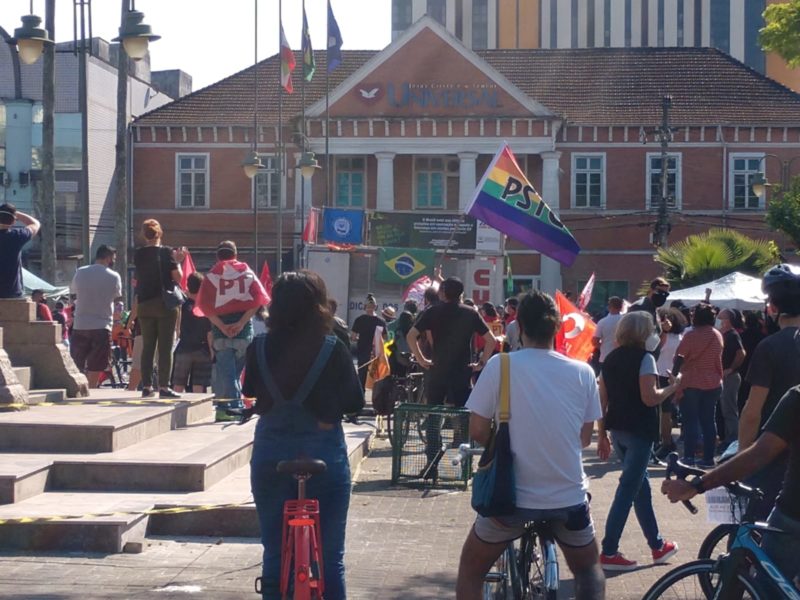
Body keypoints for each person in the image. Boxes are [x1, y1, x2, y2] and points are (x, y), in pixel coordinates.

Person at [456, 290, 605, 600]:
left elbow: (478, 429)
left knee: (471, 570)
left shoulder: (501, 366)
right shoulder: (583, 373)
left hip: (509, 501)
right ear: (558, 328)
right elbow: (584, 438)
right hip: (568, 499)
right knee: (589, 570)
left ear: (519, 327)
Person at [244, 271, 364, 600]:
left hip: (272, 455)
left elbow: (249, 389)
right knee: (330, 558)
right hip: (325, 455)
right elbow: (355, 401)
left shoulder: (260, 346)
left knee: (273, 553)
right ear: (319, 306)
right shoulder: (333, 348)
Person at [662, 382, 800, 587]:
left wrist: (697, 485)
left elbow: (758, 454)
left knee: (768, 587)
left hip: (792, 516)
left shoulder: (797, 397)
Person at [596, 311, 681, 571]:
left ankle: (657, 545)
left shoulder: (610, 358)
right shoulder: (645, 359)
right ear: (645, 333)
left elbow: (602, 399)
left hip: (618, 428)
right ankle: (609, 550)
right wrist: (672, 386)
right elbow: (650, 397)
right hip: (640, 430)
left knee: (638, 487)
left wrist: (601, 435)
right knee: (628, 489)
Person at [738, 263, 800, 521]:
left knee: (759, 529)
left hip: (773, 453)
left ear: (772, 308)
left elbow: (753, 412)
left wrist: (742, 459)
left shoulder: (769, 347)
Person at [407, 277, 496, 409]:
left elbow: (411, 336)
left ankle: (433, 429)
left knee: (434, 414)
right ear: (461, 293)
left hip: (438, 368)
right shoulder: (471, 313)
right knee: (462, 414)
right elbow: (491, 340)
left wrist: (421, 359)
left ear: (442, 292)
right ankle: (460, 430)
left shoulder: (432, 311)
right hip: (462, 371)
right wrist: (481, 363)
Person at [201, 241, 262, 407]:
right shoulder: (246, 273)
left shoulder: (212, 275)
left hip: (221, 334)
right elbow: (258, 300)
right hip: (243, 333)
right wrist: (241, 323)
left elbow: (205, 307)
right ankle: (230, 407)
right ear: (235, 254)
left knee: (227, 375)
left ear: (217, 256)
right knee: (233, 374)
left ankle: (232, 407)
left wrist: (221, 326)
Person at [133, 219, 183, 399]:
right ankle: (163, 386)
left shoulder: (138, 254)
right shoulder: (166, 252)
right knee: (165, 346)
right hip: (164, 304)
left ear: (144, 234)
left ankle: (146, 386)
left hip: (144, 304)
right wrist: (177, 262)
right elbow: (178, 277)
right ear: (160, 233)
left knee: (148, 346)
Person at [673, 303, 723, 467]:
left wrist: (674, 375)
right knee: (709, 421)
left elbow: (680, 355)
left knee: (690, 422)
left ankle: (689, 457)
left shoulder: (691, 335)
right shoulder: (717, 335)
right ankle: (708, 458)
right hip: (714, 381)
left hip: (692, 381)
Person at [70, 245, 122, 388]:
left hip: (80, 324)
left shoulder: (80, 272)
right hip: (102, 325)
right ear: (108, 257)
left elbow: (73, 294)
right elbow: (117, 298)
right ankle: (91, 388)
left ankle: (77, 388)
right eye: (114, 258)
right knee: (97, 364)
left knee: (77, 361)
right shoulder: (114, 276)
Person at [172, 273, 212, 393]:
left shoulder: (182, 306)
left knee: (178, 385)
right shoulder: (206, 307)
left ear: (188, 286)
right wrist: (212, 352)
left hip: (184, 348)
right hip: (202, 350)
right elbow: (210, 333)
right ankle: (198, 411)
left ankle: (175, 409)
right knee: (198, 386)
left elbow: (176, 328)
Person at [654, 307, 686, 459]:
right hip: (673, 374)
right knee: (667, 412)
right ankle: (666, 441)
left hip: (660, 374)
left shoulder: (663, 337)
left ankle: (666, 442)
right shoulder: (680, 336)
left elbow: (657, 348)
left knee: (664, 413)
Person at [717, 308, 745, 449]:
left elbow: (741, 353)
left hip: (730, 377)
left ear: (728, 320)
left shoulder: (732, 335)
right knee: (725, 408)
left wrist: (731, 369)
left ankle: (733, 440)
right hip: (724, 377)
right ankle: (728, 438)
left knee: (729, 409)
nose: (719, 319)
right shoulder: (723, 334)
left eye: (722, 317)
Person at [0, 203, 40, 299]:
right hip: (12, 294)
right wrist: (16, 214)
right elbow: (35, 224)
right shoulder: (17, 236)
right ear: (13, 221)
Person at [350, 294, 386, 391]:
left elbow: (353, 337)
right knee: (376, 375)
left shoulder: (359, 320)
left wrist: (359, 338)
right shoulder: (381, 322)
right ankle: (376, 394)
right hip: (376, 352)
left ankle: (362, 394)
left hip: (363, 351)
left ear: (364, 307)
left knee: (362, 374)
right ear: (376, 307)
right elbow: (385, 338)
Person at [737, 311, 765, 413]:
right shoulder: (763, 337)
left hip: (743, 368)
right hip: (759, 369)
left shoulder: (741, 336)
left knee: (741, 398)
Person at [592, 296, 624, 368]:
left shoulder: (602, 322)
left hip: (605, 357)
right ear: (621, 307)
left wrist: (603, 347)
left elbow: (594, 341)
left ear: (609, 307)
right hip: (622, 358)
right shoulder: (626, 321)